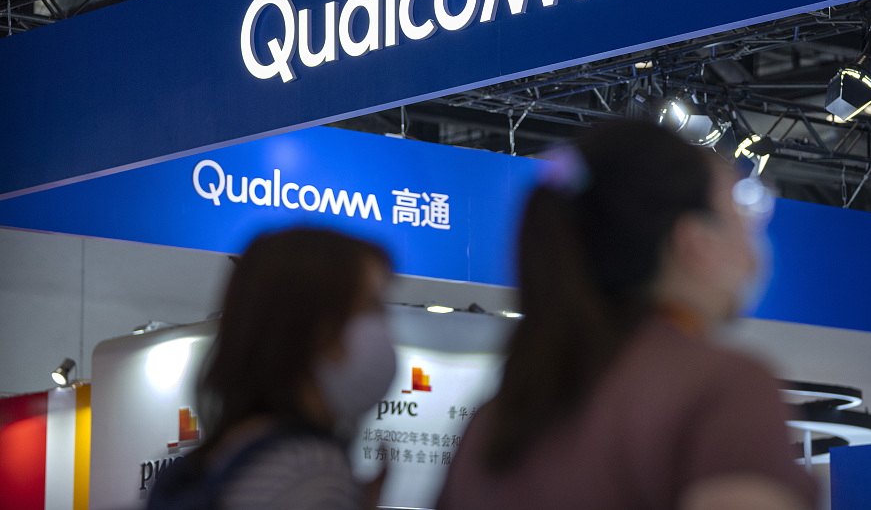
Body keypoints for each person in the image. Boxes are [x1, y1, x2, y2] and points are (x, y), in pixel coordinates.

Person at [436, 120, 817, 510]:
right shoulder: (721, 388)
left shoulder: (492, 423)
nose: (753, 239)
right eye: (741, 212)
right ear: (694, 242)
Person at [147, 227, 395, 510]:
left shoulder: (228, 452)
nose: (385, 327)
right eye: (372, 306)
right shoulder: (311, 471)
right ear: (315, 326)